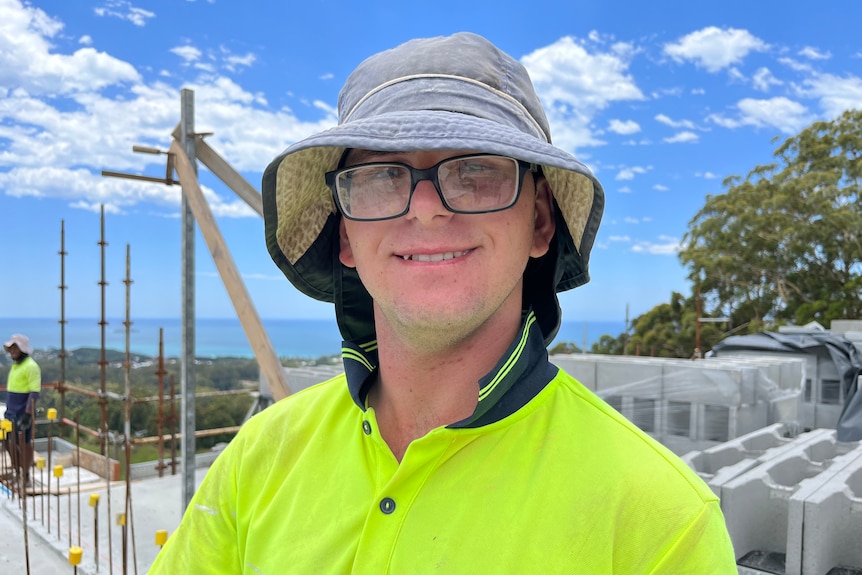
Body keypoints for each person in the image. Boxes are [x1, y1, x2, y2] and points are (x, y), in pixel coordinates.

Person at [151, 33, 736, 573]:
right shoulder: (258, 458)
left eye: (476, 169)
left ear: (539, 222)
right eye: (381, 175)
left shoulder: (660, 520)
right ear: (347, 235)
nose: (426, 208)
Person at [3, 334, 41, 486]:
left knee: (24, 443)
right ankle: (17, 472)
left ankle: (25, 477)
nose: (13, 351)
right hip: (11, 412)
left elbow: (34, 392)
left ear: (23, 349)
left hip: (22, 413)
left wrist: (27, 413)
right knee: (8, 442)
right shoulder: (16, 366)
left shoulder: (31, 366)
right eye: (11, 348)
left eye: (15, 348)